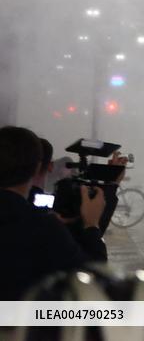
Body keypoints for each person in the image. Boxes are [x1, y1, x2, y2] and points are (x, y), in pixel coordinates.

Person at [0, 125, 107, 301]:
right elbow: (93, 280)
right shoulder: (41, 227)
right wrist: (91, 224)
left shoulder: (43, 225)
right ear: (37, 168)